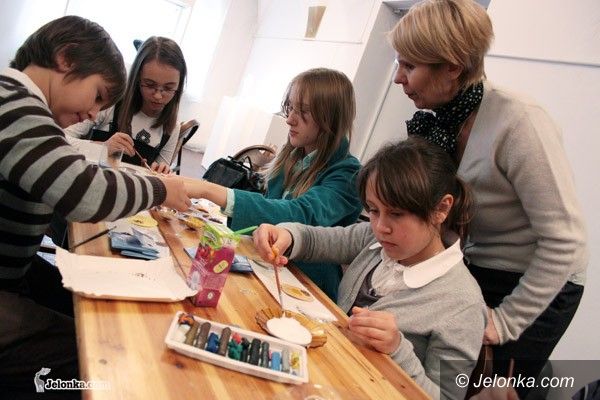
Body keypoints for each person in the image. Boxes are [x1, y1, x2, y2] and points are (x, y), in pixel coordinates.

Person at [390, 0, 587, 396]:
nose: (398, 78)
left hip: (539, 284)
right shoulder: (443, 122)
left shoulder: (519, 122)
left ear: (452, 67)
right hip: (477, 266)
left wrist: (505, 322)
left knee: (483, 391)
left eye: (409, 66)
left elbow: (565, 242)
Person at [0, 16, 191, 398]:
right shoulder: (16, 104)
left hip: (13, 273)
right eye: (97, 95)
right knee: (103, 358)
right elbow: (81, 192)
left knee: (87, 306)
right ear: (66, 58)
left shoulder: (19, 102)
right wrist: (159, 189)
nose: (93, 113)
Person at [251, 137, 486, 400]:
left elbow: (444, 397)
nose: (381, 227)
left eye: (396, 214)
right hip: (321, 378)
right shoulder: (375, 241)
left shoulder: (463, 304)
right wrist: (286, 234)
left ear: (441, 209)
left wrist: (397, 349)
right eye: (373, 210)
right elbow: (317, 240)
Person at [186, 68, 363, 300]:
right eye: (290, 107)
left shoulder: (348, 173)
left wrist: (208, 189)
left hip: (306, 287)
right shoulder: (294, 157)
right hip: (269, 270)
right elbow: (269, 211)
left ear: (330, 118)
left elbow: (298, 214)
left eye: (303, 111)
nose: (289, 119)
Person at [65, 36, 187, 174]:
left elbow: (158, 174)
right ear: (137, 78)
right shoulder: (111, 103)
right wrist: (103, 148)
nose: (158, 96)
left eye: (169, 88)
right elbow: (60, 139)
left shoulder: (172, 128)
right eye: (149, 85)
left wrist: (161, 172)